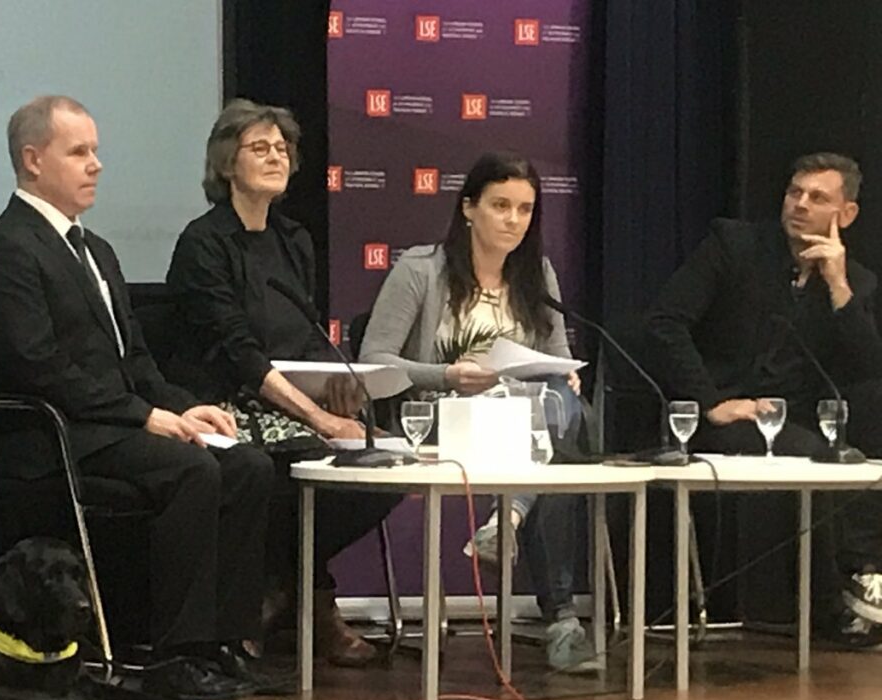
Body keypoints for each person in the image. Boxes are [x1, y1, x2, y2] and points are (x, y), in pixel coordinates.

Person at [0, 95, 277, 700]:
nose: (96, 165)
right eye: (79, 152)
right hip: (53, 434)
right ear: (32, 161)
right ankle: (176, 655)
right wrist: (145, 416)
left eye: (96, 151)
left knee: (245, 463)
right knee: (190, 469)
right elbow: (40, 368)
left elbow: (134, 360)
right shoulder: (8, 247)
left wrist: (182, 406)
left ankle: (225, 642)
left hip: (110, 425)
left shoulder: (98, 250)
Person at [165, 99, 396, 666]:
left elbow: (305, 331)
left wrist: (338, 384)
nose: (276, 157)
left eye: (282, 148)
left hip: (289, 399)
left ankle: (281, 589)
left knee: (383, 462)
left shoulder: (294, 240)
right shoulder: (204, 243)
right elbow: (238, 350)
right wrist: (317, 416)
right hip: (222, 402)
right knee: (297, 461)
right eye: (259, 147)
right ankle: (309, 602)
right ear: (225, 164)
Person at [358, 151, 596, 671]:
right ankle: (561, 618)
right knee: (559, 436)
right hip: (442, 419)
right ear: (469, 208)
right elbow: (372, 362)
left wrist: (567, 373)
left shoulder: (538, 276)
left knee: (560, 404)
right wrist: (447, 375)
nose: (514, 220)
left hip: (523, 423)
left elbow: (555, 360)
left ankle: (508, 520)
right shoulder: (421, 270)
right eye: (500, 205)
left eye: (526, 209)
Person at [646, 152, 882, 644]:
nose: (800, 204)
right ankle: (837, 600)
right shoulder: (734, 246)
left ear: (847, 214)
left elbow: (865, 367)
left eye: (818, 198)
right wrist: (709, 400)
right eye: (795, 192)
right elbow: (665, 323)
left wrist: (836, 284)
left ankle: (864, 570)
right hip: (723, 411)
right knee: (817, 455)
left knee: (858, 424)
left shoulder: (855, 281)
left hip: (796, 418)